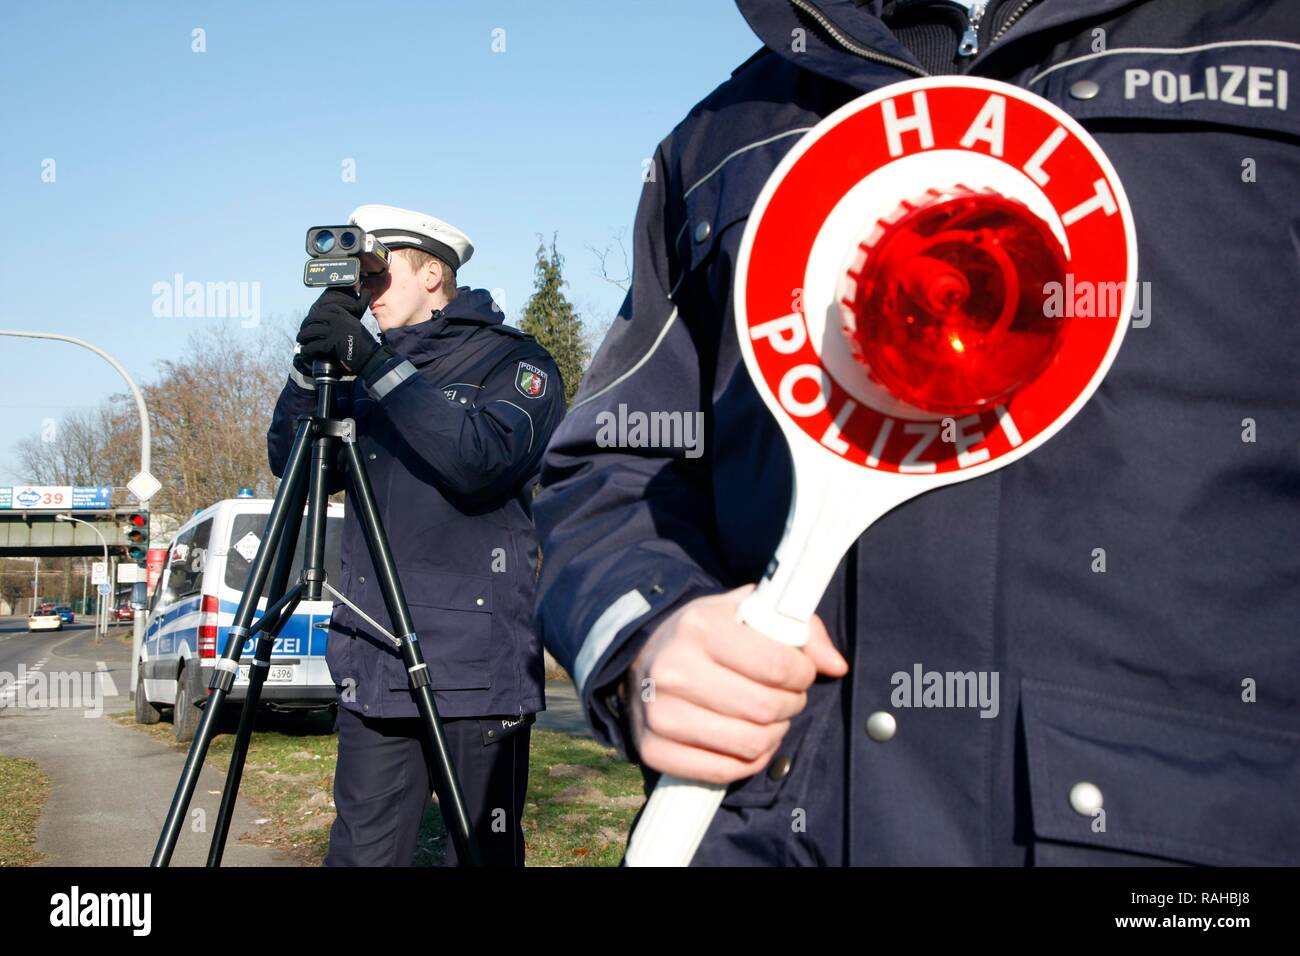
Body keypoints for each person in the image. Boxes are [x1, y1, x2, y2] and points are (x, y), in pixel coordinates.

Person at [532, 0, 1300, 865]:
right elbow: (611, 468)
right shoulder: (725, 135)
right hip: (762, 829)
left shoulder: (1268, 43)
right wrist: (646, 637)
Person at [267, 204, 564, 866]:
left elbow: (479, 459)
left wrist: (373, 364)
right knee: (362, 857)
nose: (366, 295)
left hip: (476, 671)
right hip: (374, 661)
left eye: (379, 274)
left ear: (433, 273)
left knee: (479, 856)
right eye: (358, 281)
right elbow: (296, 466)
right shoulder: (365, 376)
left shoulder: (513, 362)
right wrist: (306, 369)